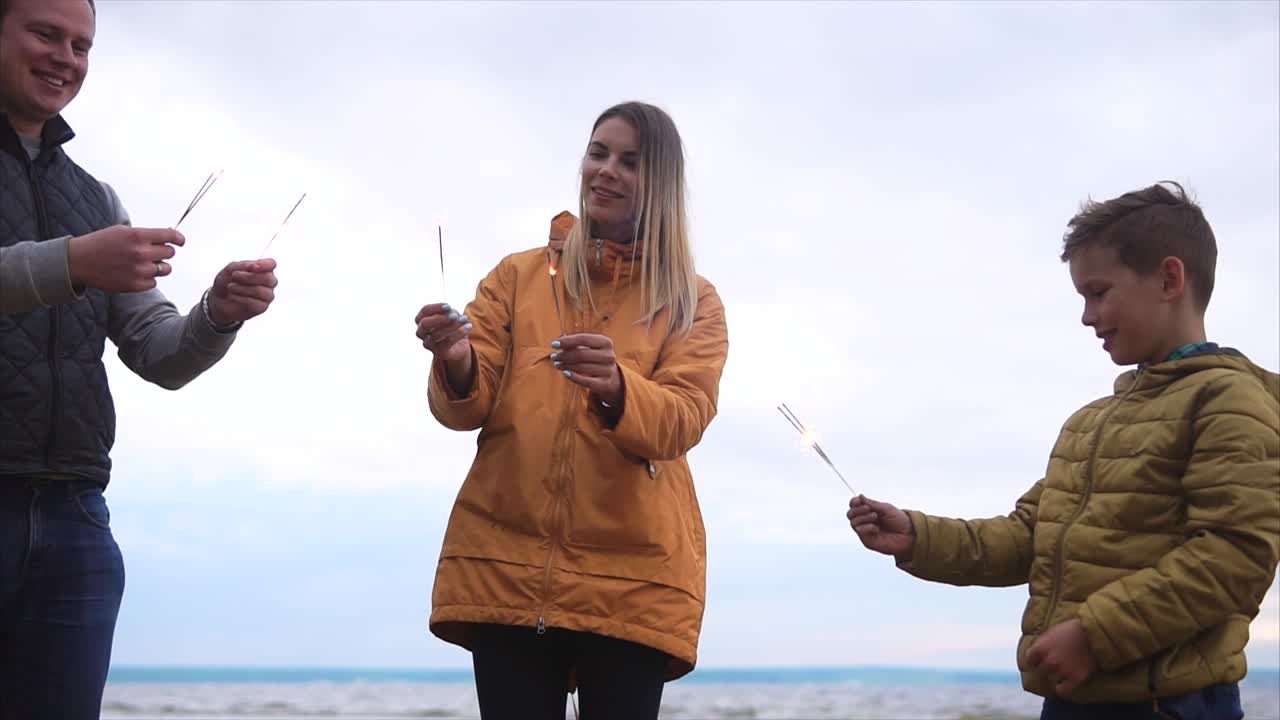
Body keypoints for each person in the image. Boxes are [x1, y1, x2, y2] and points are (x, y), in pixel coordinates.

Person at [848, 181, 1279, 720]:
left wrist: (1095, 637)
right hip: (1075, 698)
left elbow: (1235, 556)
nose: (1087, 316)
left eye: (1098, 292)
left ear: (1170, 279)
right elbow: (1031, 535)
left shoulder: (1229, 401)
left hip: (1171, 705)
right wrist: (919, 536)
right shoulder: (1090, 422)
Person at [0, 0, 279, 717]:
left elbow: (160, 355)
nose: (66, 57)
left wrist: (217, 314)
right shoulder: (90, 237)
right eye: (44, 34)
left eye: (81, 45)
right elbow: (67, 267)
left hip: (75, 520)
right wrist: (73, 260)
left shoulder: (96, 200)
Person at [413, 101, 729, 719]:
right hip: (505, 565)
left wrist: (617, 387)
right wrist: (453, 356)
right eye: (598, 152)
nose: (606, 171)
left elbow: (685, 418)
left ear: (660, 182)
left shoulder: (694, 301)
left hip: (635, 579)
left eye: (629, 162)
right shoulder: (517, 276)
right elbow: (464, 408)